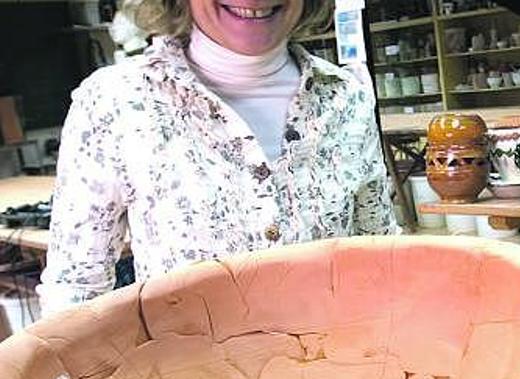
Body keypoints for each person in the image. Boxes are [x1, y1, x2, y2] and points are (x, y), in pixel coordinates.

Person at [38, 0, 398, 315]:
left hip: (337, 377)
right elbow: (75, 288)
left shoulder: (347, 98)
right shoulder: (115, 102)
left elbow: (381, 257)